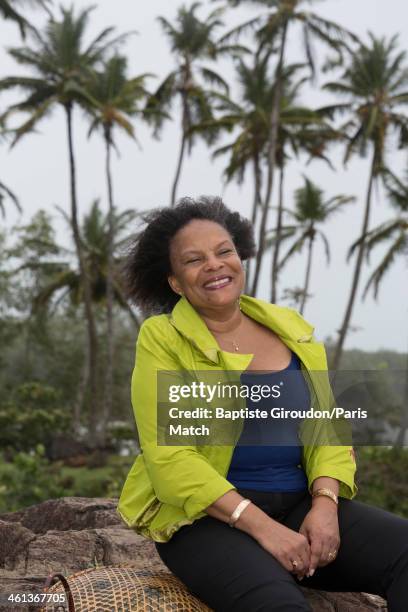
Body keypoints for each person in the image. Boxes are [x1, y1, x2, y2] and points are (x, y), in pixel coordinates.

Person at [117, 196, 408, 611]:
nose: (215, 265)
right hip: (207, 520)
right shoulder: (163, 338)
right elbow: (171, 459)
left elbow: (327, 429)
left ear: (241, 258)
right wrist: (262, 528)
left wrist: (325, 504)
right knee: (276, 603)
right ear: (176, 283)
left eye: (224, 251)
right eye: (194, 260)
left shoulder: (292, 330)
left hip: (297, 504)